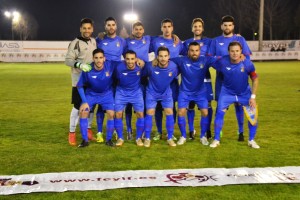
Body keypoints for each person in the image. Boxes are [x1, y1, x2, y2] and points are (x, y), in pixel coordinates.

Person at [208, 15, 252, 142]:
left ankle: (241, 131)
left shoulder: (240, 39)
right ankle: (218, 131)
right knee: (221, 106)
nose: (227, 27)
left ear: (233, 26)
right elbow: (210, 59)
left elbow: (247, 58)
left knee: (239, 105)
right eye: (225, 25)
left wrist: (243, 61)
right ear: (221, 26)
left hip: (239, 78)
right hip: (222, 79)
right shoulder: (215, 41)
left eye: (230, 25)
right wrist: (222, 65)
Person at [210, 41, 259, 149]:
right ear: (228, 52)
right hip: (227, 93)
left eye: (237, 51)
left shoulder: (247, 63)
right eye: (232, 51)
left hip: (244, 93)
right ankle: (216, 139)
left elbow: (255, 79)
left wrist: (253, 97)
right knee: (219, 113)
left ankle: (251, 140)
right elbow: (209, 60)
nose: (235, 53)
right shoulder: (222, 61)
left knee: (253, 117)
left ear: (241, 51)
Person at [172, 42, 216, 146]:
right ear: (188, 51)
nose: (194, 53)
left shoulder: (205, 60)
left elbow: (221, 58)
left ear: (200, 51)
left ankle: (202, 136)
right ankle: (183, 136)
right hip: (185, 92)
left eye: (196, 50)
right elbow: (166, 60)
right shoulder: (181, 60)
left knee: (205, 112)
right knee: (181, 112)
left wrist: (242, 56)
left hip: (200, 92)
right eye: (192, 50)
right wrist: (155, 60)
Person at [150, 18, 183, 141]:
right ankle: (158, 131)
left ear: (172, 28)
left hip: (172, 80)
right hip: (158, 79)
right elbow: (140, 48)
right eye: (164, 26)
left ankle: (171, 132)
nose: (167, 29)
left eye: (169, 26)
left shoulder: (178, 42)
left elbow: (188, 53)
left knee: (172, 106)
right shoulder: (155, 41)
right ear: (161, 28)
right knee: (158, 106)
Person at [95, 17, 128, 141]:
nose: (111, 27)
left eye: (113, 25)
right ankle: (99, 132)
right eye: (108, 25)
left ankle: (114, 130)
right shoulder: (99, 40)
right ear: (105, 27)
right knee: (101, 104)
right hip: (103, 77)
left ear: (116, 26)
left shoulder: (122, 41)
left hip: (117, 77)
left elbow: (127, 57)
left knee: (117, 105)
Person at [65, 18, 96, 146]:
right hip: (79, 82)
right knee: (78, 108)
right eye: (84, 28)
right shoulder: (75, 43)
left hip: (92, 82)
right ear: (80, 29)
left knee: (91, 107)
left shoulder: (94, 41)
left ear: (92, 29)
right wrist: (79, 64)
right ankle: (71, 133)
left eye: (89, 28)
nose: (87, 30)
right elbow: (67, 60)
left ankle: (88, 130)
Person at [76, 49, 116, 147]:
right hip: (91, 94)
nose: (98, 60)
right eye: (96, 58)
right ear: (93, 59)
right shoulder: (88, 69)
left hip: (106, 94)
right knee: (83, 111)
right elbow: (79, 86)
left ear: (104, 58)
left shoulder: (110, 65)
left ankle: (109, 140)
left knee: (111, 113)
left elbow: (125, 63)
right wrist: (84, 102)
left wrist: (138, 61)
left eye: (101, 58)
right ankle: (85, 140)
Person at [182, 18, 213, 140]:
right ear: (192, 28)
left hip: (205, 78)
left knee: (207, 105)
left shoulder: (210, 42)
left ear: (203, 28)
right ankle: (191, 130)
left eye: (199, 26)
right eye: (195, 26)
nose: (197, 28)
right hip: (190, 78)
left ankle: (207, 130)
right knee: (190, 105)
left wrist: (236, 37)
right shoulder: (187, 43)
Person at [143, 47, 179, 147]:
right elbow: (142, 75)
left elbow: (175, 76)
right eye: (161, 56)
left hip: (166, 93)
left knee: (170, 112)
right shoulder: (150, 66)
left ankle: (170, 138)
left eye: (165, 56)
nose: (163, 58)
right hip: (152, 93)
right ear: (157, 57)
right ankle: (147, 138)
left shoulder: (173, 66)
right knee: (150, 113)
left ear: (169, 57)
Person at [114, 50, 145, 147]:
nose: (130, 61)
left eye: (132, 59)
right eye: (127, 59)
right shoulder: (119, 68)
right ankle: (120, 138)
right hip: (121, 92)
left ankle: (138, 138)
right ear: (124, 59)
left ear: (136, 59)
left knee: (140, 114)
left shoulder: (141, 66)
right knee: (118, 114)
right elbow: (115, 79)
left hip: (136, 93)